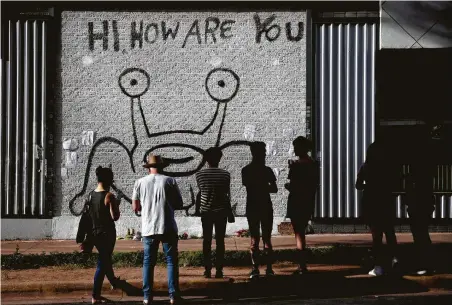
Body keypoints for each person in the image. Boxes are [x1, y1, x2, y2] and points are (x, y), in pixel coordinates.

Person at [132, 154, 184, 305]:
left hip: (148, 228)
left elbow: (135, 207)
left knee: (148, 262)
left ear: (148, 168)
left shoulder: (139, 182)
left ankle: (147, 296)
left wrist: (145, 206)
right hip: (167, 226)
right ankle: (173, 295)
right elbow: (179, 203)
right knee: (171, 262)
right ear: (162, 166)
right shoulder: (170, 181)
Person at [356, 141, 399, 276]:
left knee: (377, 236)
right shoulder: (388, 168)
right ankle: (395, 258)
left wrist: (367, 186)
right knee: (390, 232)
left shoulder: (366, 167)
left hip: (371, 202)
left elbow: (358, 185)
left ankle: (378, 266)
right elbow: (395, 185)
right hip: (386, 201)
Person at [242, 141, 278, 279]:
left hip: (252, 206)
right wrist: (264, 187)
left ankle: (255, 269)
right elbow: (274, 189)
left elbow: (249, 186)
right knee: (266, 239)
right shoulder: (267, 170)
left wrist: (258, 187)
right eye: (262, 152)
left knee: (254, 238)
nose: (263, 155)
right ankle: (269, 269)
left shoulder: (246, 170)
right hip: (265, 206)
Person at [195, 147, 232, 279]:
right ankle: (219, 270)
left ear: (206, 160)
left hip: (206, 212)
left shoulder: (199, 175)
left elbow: (201, 192)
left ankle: (207, 269)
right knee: (220, 241)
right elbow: (225, 194)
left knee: (207, 241)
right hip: (221, 211)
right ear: (219, 158)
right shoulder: (225, 174)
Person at [285, 136, 318, 275]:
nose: (294, 149)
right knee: (301, 232)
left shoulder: (296, 165)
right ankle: (302, 265)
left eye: (295, 146)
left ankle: (302, 265)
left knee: (298, 234)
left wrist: (288, 185)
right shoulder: (313, 164)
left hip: (296, 201)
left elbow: (292, 185)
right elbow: (313, 184)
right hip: (308, 201)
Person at [88, 166, 121, 304]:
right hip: (107, 234)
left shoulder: (90, 195)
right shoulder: (109, 196)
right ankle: (95, 295)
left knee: (105, 259)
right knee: (102, 263)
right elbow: (115, 217)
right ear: (109, 180)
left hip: (95, 233)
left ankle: (113, 281)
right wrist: (116, 203)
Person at [405, 129, 436, 275]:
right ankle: (426, 263)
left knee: (420, 234)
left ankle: (425, 263)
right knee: (421, 234)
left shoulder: (418, 170)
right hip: (422, 203)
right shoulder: (424, 168)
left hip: (419, 204)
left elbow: (416, 188)